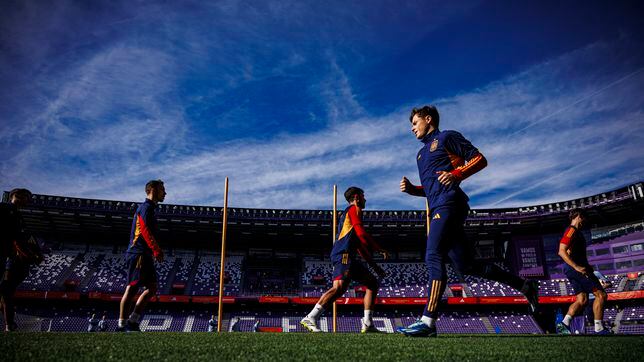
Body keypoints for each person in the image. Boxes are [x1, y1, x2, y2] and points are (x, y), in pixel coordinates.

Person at [397, 106, 539, 337]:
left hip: (450, 204)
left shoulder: (447, 137)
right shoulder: (421, 155)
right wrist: (414, 190)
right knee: (466, 266)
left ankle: (428, 321)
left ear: (428, 119)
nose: (412, 128)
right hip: (439, 204)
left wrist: (457, 174)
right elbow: (433, 187)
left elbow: (479, 159)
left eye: (415, 123)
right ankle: (524, 285)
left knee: (433, 254)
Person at [300, 187, 388, 333]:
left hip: (349, 255)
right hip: (343, 254)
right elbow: (361, 233)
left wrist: (374, 266)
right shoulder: (354, 209)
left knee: (372, 283)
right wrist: (379, 248)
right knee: (339, 288)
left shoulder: (352, 214)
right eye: (363, 196)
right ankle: (311, 317)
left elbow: (359, 245)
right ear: (356, 197)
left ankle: (367, 323)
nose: (365, 199)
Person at [117, 180, 166, 332]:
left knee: (152, 288)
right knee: (131, 289)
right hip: (137, 253)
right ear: (152, 189)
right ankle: (122, 325)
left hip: (145, 254)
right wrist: (156, 249)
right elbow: (144, 229)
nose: (165, 193)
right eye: (162, 189)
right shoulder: (145, 208)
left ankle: (133, 321)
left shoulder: (150, 208)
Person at [556, 208, 612, 335]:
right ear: (579, 216)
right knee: (601, 295)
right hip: (576, 269)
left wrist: (586, 265)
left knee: (582, 299)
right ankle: (599, 329)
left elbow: (572, 251)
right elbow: (561, 251)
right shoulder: (572, 230)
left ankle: (563, 324)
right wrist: (577, 267)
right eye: (584, 219)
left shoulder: (576, 232)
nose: (585, 222)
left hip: (572, 268)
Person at [1, 188, 39, 332]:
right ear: (14, 196)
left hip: (6, 255)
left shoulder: (18, 216)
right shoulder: (4, 208)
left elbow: (19, 238)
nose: (26, 200)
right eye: (24, 197)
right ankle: (9, 324)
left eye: (28, 198)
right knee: (6, 291)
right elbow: (18, 239)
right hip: (5, 255)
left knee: (6, 292)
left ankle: (9, 324)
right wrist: (30, 254)